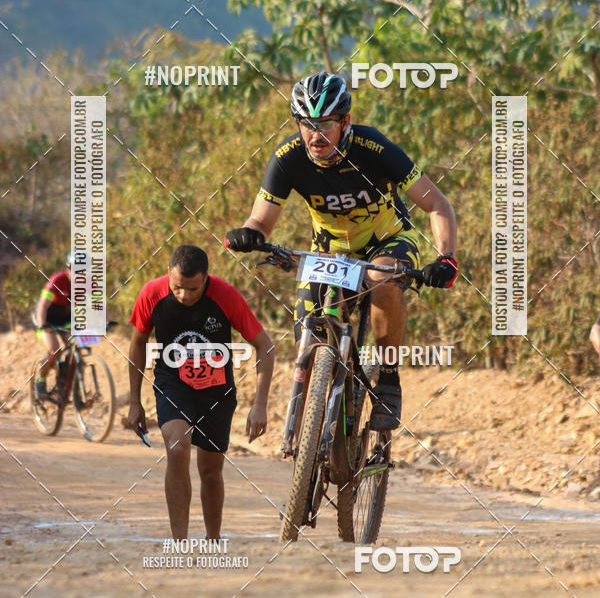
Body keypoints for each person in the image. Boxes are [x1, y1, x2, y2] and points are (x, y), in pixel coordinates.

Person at [226, 71, 457, 431]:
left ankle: (389, 380)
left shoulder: (375, 149)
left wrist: (446, 258)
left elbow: (438, 205)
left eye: (325, 124)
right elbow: (261, 219)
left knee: (383, 280)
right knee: (310, 329)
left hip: (387, 240)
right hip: (331, 251)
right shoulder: (288, 158)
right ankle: (310, 431)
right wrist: (248, 233)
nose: (315, 135)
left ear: (345, 120)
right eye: (306, 123)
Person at [127, 244, 274, 540]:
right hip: (172, 383)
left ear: (206, 279)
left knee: (210, 470)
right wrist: (134, 402)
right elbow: (137, 344)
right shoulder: (152, 293)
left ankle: (212, 539)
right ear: (169, 274)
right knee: (177, 447)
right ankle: (180, 541)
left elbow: (265, 346)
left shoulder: (225, 295)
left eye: (193, 289)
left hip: (216, 390)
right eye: (178, 287)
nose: (184, 295)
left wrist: (260, 405)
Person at [33, 252, 73, 399]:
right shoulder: (57, 280)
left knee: (76, 344)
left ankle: (65, 380)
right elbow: (42, 306)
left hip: (65, 319)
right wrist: (42, 325)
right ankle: (41, 380)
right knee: (55, 350)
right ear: (68, 269)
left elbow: (99, 304)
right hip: (46, 318)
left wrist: (106, 321)